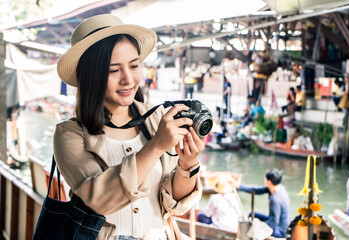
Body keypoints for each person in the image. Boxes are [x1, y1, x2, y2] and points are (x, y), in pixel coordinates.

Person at [54, 14, 205, 240]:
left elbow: (175, 205)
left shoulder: (157, 120)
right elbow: (100, 201)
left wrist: (188, 163)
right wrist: (155, 146)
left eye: (134, 66)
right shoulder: (70, 134)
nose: (128, 79)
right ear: (91, 76)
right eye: (113, 70)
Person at [237, 169, 290, 238]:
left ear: (269, 182)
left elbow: (274, 222)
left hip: (280, 230)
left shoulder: (275, 199)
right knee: (251, 215)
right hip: (278, 223)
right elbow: (257, 190)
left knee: (252, 228)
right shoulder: (278, 187)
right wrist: (239, 187)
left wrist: (257, 227)